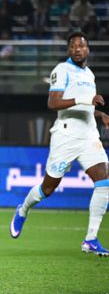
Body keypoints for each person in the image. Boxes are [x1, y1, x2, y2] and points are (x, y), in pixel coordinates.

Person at [11, 32, 109, 256]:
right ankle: (23, 209)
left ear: (88, 50)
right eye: (73, 46)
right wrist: (87, 101)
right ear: (69, 50)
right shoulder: (62, 70)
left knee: (104, 180)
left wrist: (100, 113)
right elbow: (53, 102)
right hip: (66, 135)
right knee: (48, 188)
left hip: (88, 136)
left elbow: (86, 107)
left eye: (82, 46)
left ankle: (91, 239)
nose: (77, 49)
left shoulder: (90, 75)